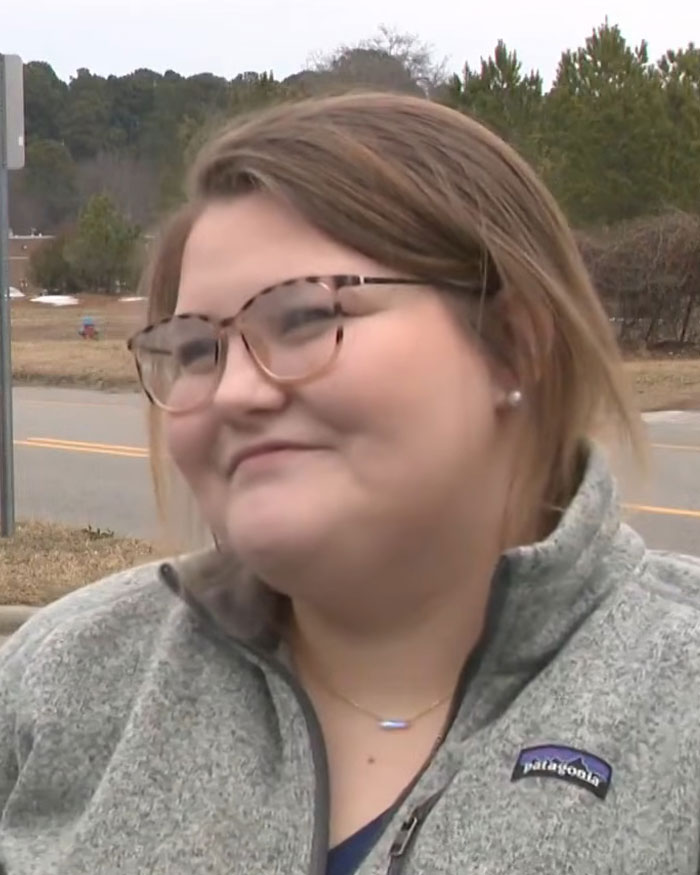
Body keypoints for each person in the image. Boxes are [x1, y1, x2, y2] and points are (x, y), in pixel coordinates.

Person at [1, 92, 700, 875]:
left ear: (513, 343)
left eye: (303, 318)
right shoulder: (61, 677)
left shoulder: (679, 689)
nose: (232, 392)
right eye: (196, 351)